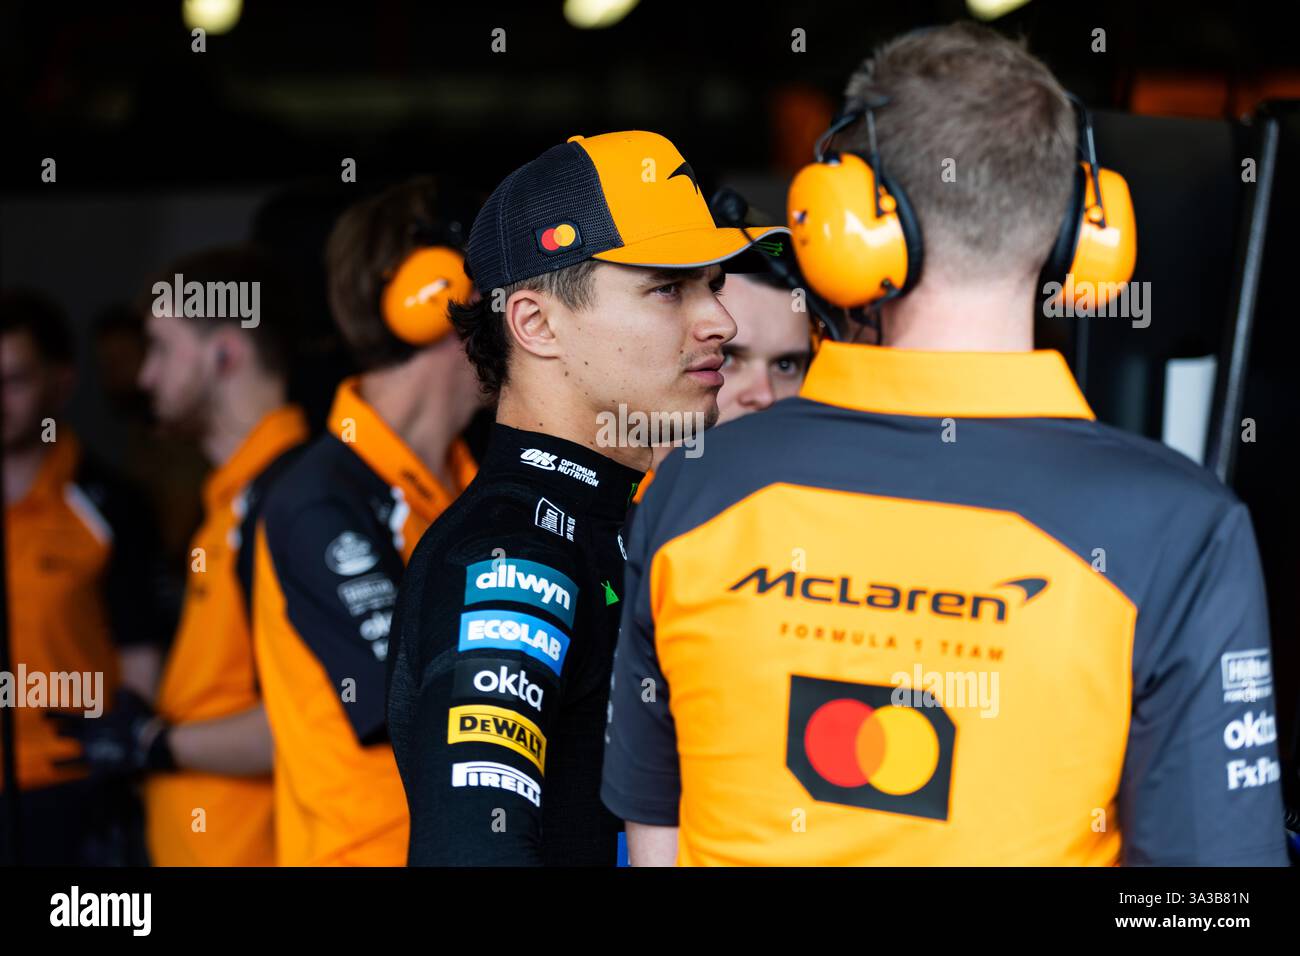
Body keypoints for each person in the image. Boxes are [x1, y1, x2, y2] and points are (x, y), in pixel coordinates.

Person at [600, 23, 1289, 866]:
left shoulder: (696, 487)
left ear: (837, 228)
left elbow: (655, 846)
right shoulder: (1179, 528)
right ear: (1087, 237)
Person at [386, 130, 788, 865]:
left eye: (714, 283)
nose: (720, 323)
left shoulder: (620, 525)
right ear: (536, 324)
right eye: (668, 287)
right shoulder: (511, 558)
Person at [252, 179, 484, 865]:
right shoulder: (318, 499)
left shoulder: (470, 478)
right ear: (437, 298)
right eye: (496, 292)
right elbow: (417, 701)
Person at [109, 244, 306, 867]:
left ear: (225, 351)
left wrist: (150, 742)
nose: (144, 377)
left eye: (161, 349)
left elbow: (302, 723)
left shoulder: (292, 503)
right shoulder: (237, 500)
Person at [1, 289, 168, 865]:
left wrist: (124, 758)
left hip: (74, 784)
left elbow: (141, 650)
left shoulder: (110, 503)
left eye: (16, 379)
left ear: (60, 382)